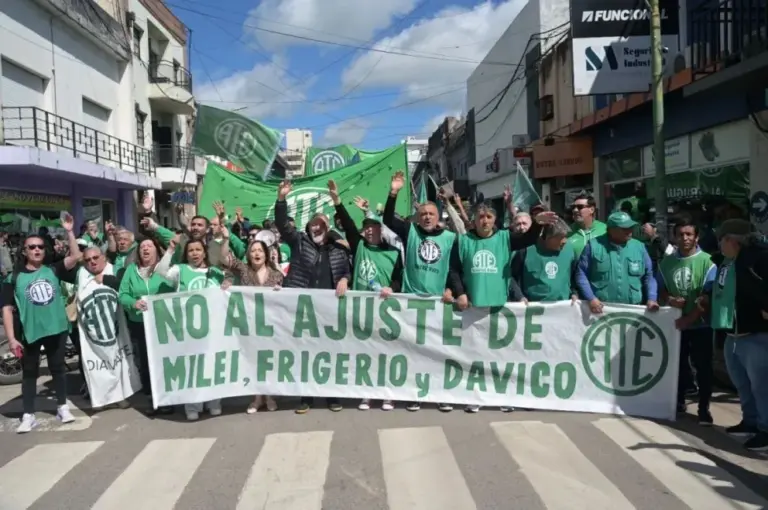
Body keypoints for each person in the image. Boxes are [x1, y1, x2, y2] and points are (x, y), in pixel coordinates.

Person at [448, 201, 558, 413]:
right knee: (476, 355)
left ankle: (503, 395)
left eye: (489, 217)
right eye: (481, 217)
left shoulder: (505, 238)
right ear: (474, 220)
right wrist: (460, 292)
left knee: (501, 356)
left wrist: (536, 224)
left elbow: (527, 238)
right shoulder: (463, 241)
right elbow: (453, 270)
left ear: (495, 220)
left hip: (500, 306)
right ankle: (476, 395)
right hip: (474, 307)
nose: (485, 221)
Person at [274, 180, 351, 414]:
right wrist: (281, 199)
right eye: (314, 224)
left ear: (328, 230)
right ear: (308, 227)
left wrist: (346, 279)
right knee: (305, 352)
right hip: (304, 309)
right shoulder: (299, 242)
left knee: (329, 352)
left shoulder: (338, 249)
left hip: (329, 310)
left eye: (322, 225)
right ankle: (306, 396)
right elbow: (282, 224)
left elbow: (346, 270)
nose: (317, 228)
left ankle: (331, 396)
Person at [1, 213, 82, 433]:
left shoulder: (53, 270)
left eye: (40, 247)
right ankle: (28, 414)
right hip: (30, 332)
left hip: (57, 328)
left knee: (57, 369)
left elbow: (76, 255)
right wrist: (11, 338)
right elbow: (6, 309)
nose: (37, 250)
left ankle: (62, 406)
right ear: (24, 251)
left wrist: (69, 230)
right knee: (30, 373)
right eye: (32, 247)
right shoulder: (13, 278)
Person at [329, 180, 402, 411]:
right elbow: (349, 225)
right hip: (361, 310)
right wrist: (337, 201)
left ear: (381, 230)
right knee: (366, 354)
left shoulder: (393, 253)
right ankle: (367, 394)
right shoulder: (359, 245)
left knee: (387, 354)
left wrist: (393, 288)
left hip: (385, 310)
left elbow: (399, 279)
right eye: (366, 227)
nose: (369, 230)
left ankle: (388, 394)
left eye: (374, 226)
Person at [698, 219, 768, 451]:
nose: (718, 244)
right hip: (733, 333)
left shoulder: (757, 259)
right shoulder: (728, 261)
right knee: (742, 383)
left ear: (733, 241)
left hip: (755, 333)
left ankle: (765, 430)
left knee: (761, 386)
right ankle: (750, 422)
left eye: (722, 239)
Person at [155, 233, 233, 421]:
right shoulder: (180, 270)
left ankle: (214, 402)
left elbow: (228, 284)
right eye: (191, 250)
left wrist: (228, 282)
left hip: (212, 328)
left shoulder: (214, 272)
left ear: (204, 253)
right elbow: (160, 271)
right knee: (192, 367)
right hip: (187, 329)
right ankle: (192, 405)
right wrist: (171, 249)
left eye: (198, 250)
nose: (195, 253)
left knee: (211, 365)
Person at [656, 217, 716, 425]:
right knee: (678, 365)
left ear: (696, 237)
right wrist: (670, 299)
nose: (685, 238)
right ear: (675, 237)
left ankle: (703, 408)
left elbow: (707, 298)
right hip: (676, 325)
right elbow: (660, 288)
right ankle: (678, 401)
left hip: (701, 325)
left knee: (703, 367)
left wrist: (689, 318)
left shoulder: (708, 262)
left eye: (689, 234)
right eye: (681, 234)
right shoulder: (667, 262)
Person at [222, 236, 283, 414]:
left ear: (266, 254)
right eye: (253, 250)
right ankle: (257, 398)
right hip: (249, 324)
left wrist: (281, 291)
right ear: (248, 254)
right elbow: (226, 258)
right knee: (254, 360)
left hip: (271, 324)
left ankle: (270, 395)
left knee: (269, 360)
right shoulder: (244, 271)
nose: (256, 253)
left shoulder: (276, 275)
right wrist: (226, 239)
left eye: (260, 250)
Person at [118, 237, 175, 415]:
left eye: (149, 246)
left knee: (164, 361)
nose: (145, 249)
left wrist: (172, 249)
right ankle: (153, 399)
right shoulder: (130, 271)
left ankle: (168, 397)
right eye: (142, 246)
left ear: (157, 251)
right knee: (146, 362)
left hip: (163, 323)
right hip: (140, 324)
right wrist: (133, 303)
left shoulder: (167, 270)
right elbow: (122, 294)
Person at [575, 211, 658, 313]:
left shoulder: (639, 247)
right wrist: (591, 298)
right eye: (624, 229)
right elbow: (581, 274)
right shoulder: (593, 246)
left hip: (633, 310)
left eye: (631, 227)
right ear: (611, 230)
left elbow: (649, 276)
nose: (630, 231)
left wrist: (652, 298)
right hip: (601, 310)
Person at [510, 219, 578, 304]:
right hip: (533, 309)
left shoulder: (570, 250)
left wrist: (575, 293)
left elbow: (576, 276)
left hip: (563, 308)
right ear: (548, 237)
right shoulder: (526, 251)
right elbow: (510, 277)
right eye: (561, 237)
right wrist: (519, 297)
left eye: (566, 237)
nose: (565, 241)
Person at [568, 192, 607, 258]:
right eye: (573, 207)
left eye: (580, 207)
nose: (575, 210)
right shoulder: (567, 232)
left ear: (591, 210)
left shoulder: (605, 230)